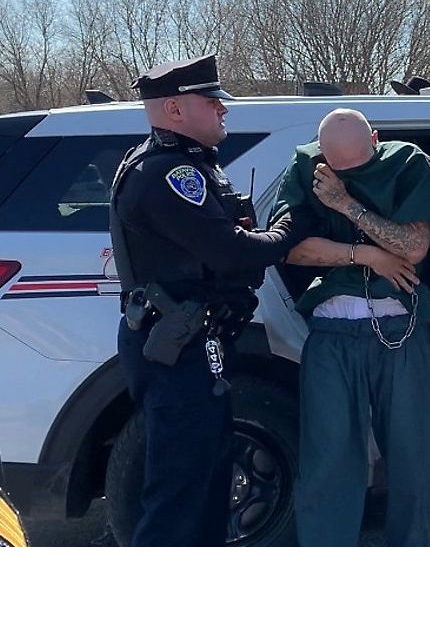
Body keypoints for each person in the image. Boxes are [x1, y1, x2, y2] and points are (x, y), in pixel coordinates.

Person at [109, 53, 312, 546]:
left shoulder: (187, 164)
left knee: (206, 481)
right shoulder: (167, 173)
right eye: (211, 101)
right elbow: (230, 250)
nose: (223, 109)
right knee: (181, 492)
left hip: (193, 343)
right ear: (175, 109)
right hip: (176, 347)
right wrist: (292, 225)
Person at [271, 108, 430, 546]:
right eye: (338, 166)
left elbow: (414, 246)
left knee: (412, 456)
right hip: (332, 331)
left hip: (398, 328)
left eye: (356, 165)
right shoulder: (306, 165)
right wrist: (367, 255)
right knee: (328, 459)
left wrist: (344, 203)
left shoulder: (407, 162)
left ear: (375, 138)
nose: (345, 174)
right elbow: (290, 248)